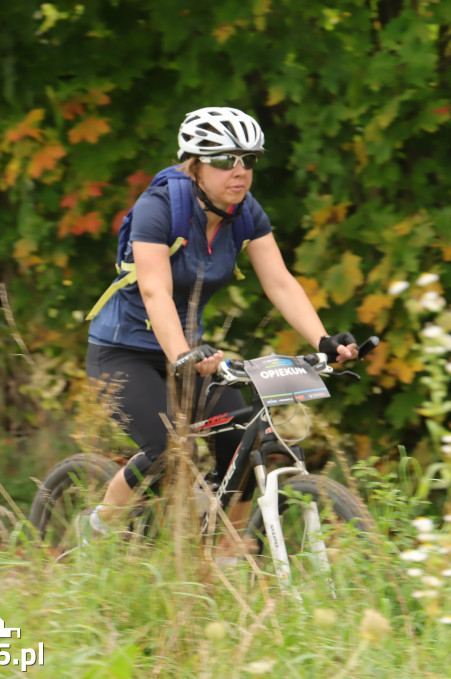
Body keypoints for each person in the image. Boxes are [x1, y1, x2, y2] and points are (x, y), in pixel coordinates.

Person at [80, 106, 358, 556]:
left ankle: (223, 553)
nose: (240, 171)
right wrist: (183, 356)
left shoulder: (245, 213)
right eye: (226, 160)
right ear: (196, 164)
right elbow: (155, 292)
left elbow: (280, 282)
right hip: (123, 353)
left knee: (244, 438)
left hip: (192, 351)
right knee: (170, 451)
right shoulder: (159, 208)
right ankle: (96, 530)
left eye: (248, 160)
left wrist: (323, 340)